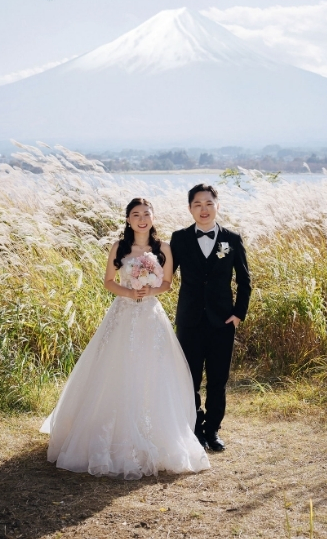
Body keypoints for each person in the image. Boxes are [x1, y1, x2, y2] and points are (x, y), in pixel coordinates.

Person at [41, 198, 210, 479]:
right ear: (128, 219)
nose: (142, 218)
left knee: (152, 371)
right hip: (123, 313)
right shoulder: (119, 247)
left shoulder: (164, 249)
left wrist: (148, 291)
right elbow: (109, 281)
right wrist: (131, 292)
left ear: (153, 217)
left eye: (146, 213)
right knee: (115, 368)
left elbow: (167, 284)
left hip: (151, 315)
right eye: (135, 214)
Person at [169, 183, 251, 452]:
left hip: (222, 322)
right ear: (190, 208)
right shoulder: (179, 239)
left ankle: (213, 429)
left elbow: (245, 281)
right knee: (188, 378)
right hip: (189, 321)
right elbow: (166, 275)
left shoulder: (232, 239)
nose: (203, 209)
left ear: (217, 205)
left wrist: (238, 314)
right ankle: (194, 429)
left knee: (218, 379)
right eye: (197, 204)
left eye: (208, 203)